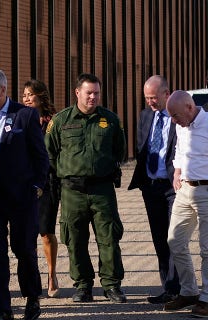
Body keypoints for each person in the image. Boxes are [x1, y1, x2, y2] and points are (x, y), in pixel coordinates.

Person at [0, 68, 48, 320]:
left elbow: (40, 156)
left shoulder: (24, 116)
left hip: (20, 196)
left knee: (24, 248)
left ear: (2, 90)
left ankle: (32, 297)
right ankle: (0, 307)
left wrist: (37, 187)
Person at [44, 73, 127, 304]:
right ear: (77, 93)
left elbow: (119, 150)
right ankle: (83, 286)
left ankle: (112, 286)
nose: (93, 97)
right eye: (88, 92)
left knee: (109, 238)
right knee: (75, 239)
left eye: (96, 93)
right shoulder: (60, 121)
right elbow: (50, 153)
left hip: (102, 189)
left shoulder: (110, 120)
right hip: (72, 192)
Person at [127, 75, 180, 304]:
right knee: (159, 238)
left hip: (173, 187)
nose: (150, 102)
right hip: (151, 187)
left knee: (174, 238)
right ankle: (168, 288)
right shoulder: (145, 115)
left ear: (166, 95)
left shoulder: (179, 117)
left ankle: (182, 289)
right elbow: (142, 148)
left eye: (154, 98)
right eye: (147, 98)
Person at [163, 90, 208, 316]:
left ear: (190, 108)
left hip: (206, 191)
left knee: (207, 248)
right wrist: (177, 171)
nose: (173, 121)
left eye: (176, 115)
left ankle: (207, 299)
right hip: (184, 189)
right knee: (175, 241)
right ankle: (189, 291)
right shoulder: (181, 125)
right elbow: (180, 151)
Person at [22, 79, 61, 298]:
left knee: (46, 232)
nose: (26, 98)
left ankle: (52, 273)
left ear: (41, 97)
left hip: (47, 183)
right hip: (25, 183)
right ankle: (33, 276)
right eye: (24, 95)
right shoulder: (19, 120)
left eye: (30, 94)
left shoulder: (53, 123)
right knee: (27, 233)